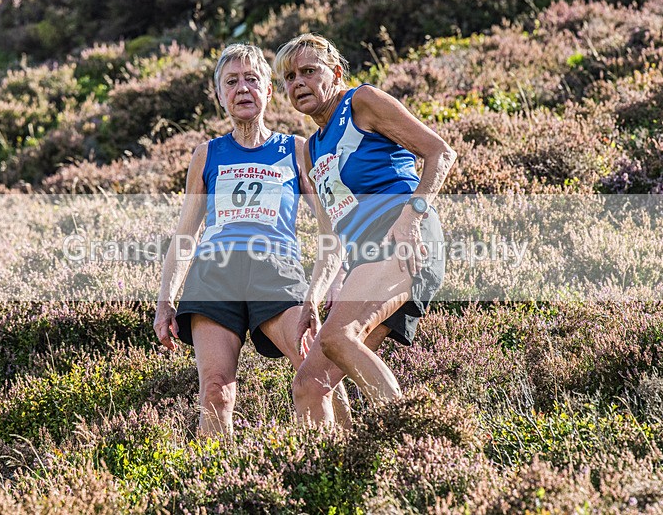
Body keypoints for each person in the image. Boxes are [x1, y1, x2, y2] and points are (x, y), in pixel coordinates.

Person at [153, 43, 350, 436]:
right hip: (214, 275)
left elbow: (330, 224)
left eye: (252, 79)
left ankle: (344, 451)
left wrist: (335, 278)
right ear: (220, 95)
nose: (242, 88)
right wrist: (165, 299)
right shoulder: (207, 154)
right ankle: (216, 471)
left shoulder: (296, 150)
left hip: (276, 271)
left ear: (269, 91)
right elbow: (186, 234)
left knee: (316, 369)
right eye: (231, 82)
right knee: (215, 390)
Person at [273, 33, 457, 424]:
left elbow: (440, 152)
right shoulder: (311, 149)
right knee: (310, 382)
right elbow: (330, 237)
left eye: (309, 71)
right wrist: (312, 299)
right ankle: (337, 460)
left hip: (402, 236)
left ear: (336, 73)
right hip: (364, 258)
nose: (298, 82)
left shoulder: (361, 101)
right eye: (289, 77)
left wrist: (411, 217)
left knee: (338, 338)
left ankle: (408, 434)